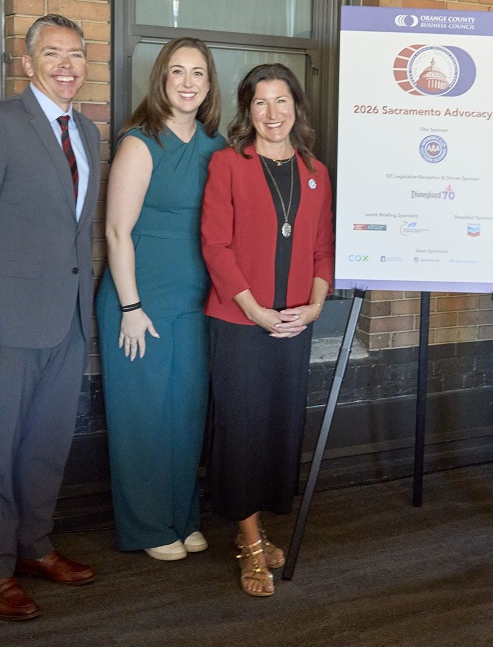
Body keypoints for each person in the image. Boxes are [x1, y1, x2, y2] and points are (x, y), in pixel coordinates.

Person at [0, 14, 99, 620]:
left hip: (67, 321)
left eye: (76, 54)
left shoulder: (87, 132)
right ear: (27, 62)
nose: (66, 65)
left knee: (46, 447)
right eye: (52, 53)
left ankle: (33, 547)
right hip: (4, 327)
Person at [200, 63, 333, 598]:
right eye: (260, 102)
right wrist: (255, 310)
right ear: (247, 109)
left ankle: (253, 524)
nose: (272, 113)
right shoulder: (227, 164)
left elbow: (322, 247)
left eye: (281, 101)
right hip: (240, 320)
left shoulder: (316, 172)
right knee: (241, 430)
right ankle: (250, 543)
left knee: (278, 427)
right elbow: (215, 246)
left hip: (294, 322)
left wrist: (315, 307)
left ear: (296, 107)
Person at [95, 38, 226, 562]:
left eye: (198, 73)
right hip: (140, 301)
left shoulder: (216, 146)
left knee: (187, 413)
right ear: (161, 80)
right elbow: (116, 231)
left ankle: (182, 516)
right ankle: (148, 525)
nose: (188, 82)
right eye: (177, 71)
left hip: (194, 300)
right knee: (144, 416)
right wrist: (130, 308)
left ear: (209, 84)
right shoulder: (140, 142)